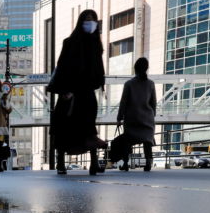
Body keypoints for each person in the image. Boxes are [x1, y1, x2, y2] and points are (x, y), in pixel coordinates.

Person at [48, 10, 106, 175]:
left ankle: (94, 162)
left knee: (88, 126)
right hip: (71, 92)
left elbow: (98, 69)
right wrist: (63, 89)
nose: (90, 23)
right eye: (87, 20)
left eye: (93, 20)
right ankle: (60, 161)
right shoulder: (70, 43)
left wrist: (100, 83)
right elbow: (61, 67)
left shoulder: (96, 44)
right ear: (80, 22)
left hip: (87, 92)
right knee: (65, 128)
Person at [111, 57, 156, 172]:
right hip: (147, 119)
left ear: (135, 69)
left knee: (127, 140)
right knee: (147, 141)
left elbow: (123, 103)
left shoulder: (129, 84)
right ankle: (148, 163)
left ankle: (126, 164)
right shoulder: (151, 84)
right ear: (146, 69)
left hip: (132, 119)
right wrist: (151, 116)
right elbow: (153, 103)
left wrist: (119, 118)